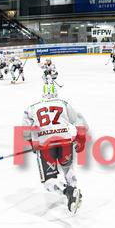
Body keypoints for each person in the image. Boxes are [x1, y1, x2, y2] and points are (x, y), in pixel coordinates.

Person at [21, 83, 87, 212]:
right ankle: (74, 191)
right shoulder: (64, 103)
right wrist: (80, 138)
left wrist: (31, 142)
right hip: (65, 141)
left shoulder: (32, 107)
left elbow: (25, 129)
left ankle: (67, 191)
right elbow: (80, 121)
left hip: (45, 145)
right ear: (56, 93)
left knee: (48, 181)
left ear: (43, 94)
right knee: (68, 168)